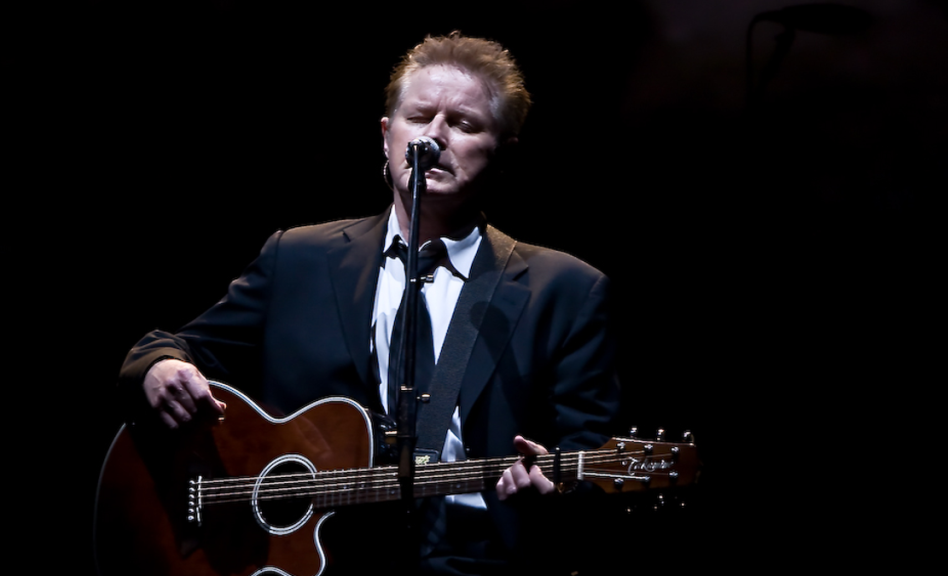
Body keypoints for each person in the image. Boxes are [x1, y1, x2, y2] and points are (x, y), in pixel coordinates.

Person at [118, 31, 620, 576]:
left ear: (503, 151)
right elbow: (182, 348)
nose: (433, 138)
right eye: (419, 117)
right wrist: (158, 366)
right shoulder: (300, 258)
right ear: (387, 136)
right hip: (307, 560)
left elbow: (591, 465)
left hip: (476, 561)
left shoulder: (565, 289)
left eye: (464, 124)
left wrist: (560, 486)